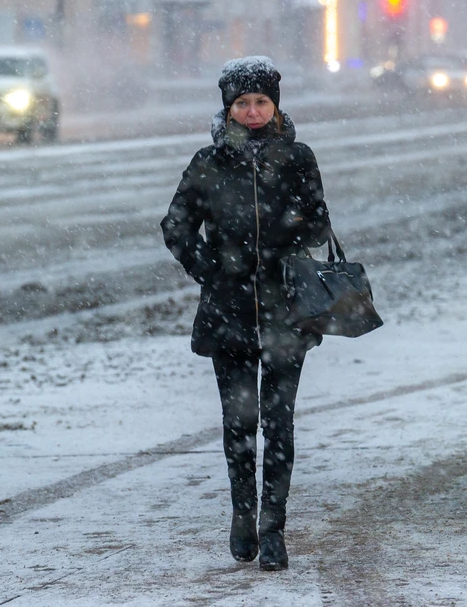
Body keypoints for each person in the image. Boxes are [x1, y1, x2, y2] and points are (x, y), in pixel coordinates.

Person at [161, 56, 331, 571]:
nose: (252, 111)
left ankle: (273, 528)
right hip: (229, 313)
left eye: (261, 102)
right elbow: (176, 225)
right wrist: (210, 268)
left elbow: (319, 223)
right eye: (243, 103)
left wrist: (284, 242)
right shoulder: (208, 162)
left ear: (275, 106)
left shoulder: (297, 157)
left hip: (285, 313)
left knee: (279, 424)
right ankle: (242, 513)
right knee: (240, 423)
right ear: (228, 109)